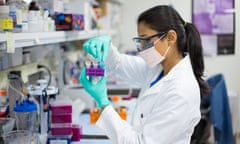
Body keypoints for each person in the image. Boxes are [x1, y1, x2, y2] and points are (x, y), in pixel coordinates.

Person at [80, 5, 209, 144]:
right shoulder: (160, 68)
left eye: (146, 40)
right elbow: (119, 64)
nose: (142, 47)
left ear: (171, 37)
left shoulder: (181, 91)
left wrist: (103, 103)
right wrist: (106, 47)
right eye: (139, 41)